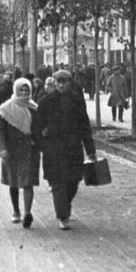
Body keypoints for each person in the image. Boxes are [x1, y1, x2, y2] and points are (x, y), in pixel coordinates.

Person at [36, 70, 97, 230]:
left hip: (73, 147)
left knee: (73, 182)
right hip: (53, 149)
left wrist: (90, 149)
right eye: (59, 82)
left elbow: (85, 126)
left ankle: (65, 206)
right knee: (57, 183)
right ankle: (63, 216)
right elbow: (37, 124)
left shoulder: (77, 101)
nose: (62, 85)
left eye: (65, 82)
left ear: (70, 83)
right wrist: (42, 140)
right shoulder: (46, 101)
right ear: (54, 83)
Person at [0, 78, 40, 229]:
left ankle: (27, 213)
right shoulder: (6, 109)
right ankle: (16, 211)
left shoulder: (34, 108)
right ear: (15, 90)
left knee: (28, 182)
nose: (24, 93)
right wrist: (2, 148)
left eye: (27, 90)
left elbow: (39, 128)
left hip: (29, 150)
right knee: (13, 181)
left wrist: (40, 138)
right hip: (11, 150)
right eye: (21, 90)